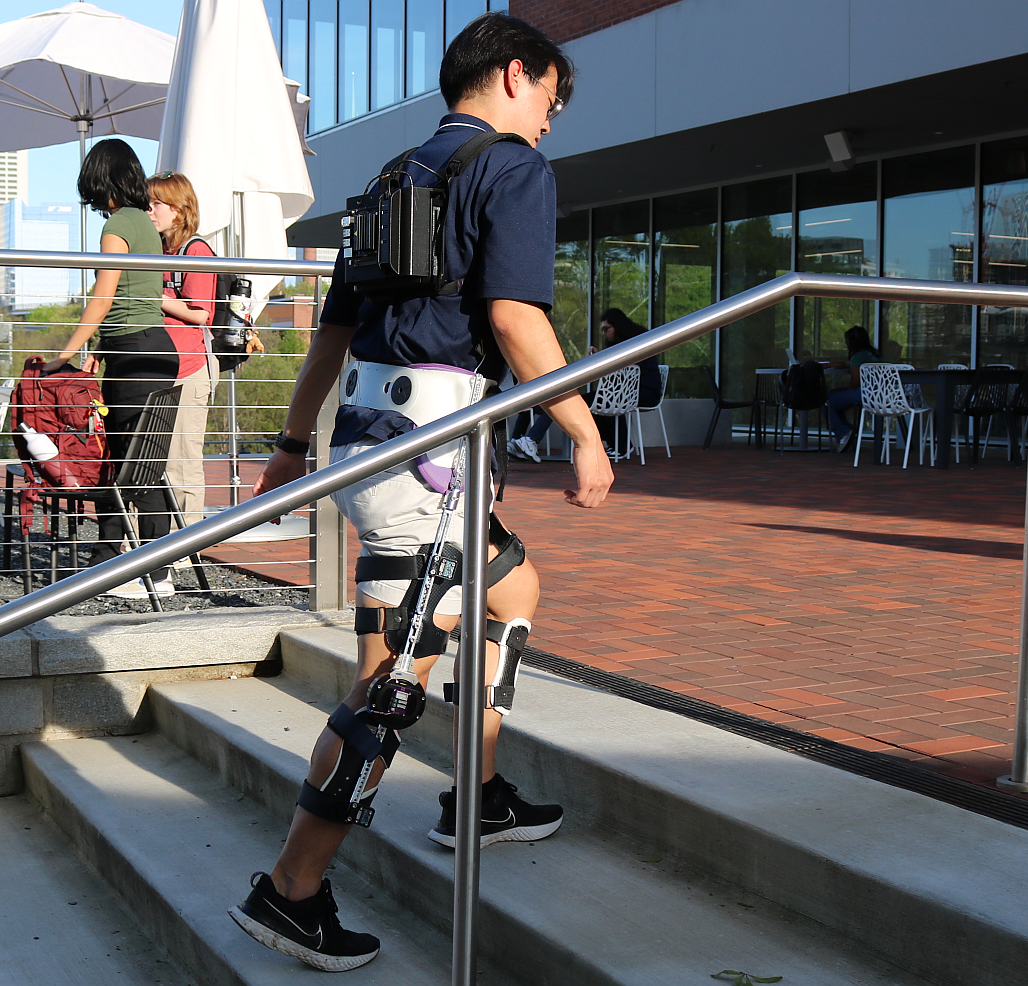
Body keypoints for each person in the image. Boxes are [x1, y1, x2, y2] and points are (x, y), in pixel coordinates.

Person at [229, 13, 610, 972]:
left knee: (509, 592)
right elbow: (516, 317)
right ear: (517, 75)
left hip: (381, 444)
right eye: (551, 101)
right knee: (390, 688)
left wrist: (289, 444)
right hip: (429, 458)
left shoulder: (395, 178)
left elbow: (331, 334)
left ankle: (477, 793)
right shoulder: (511, 167)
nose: (550, 123)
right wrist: (585, 432)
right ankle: (291, 889)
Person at [50, 138, 179, 593]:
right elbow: (136, 296)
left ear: (99, 178)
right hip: (154, 348)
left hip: (133, 353)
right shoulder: (145, 224)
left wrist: (62, 357)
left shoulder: (117, 226)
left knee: (126, 460)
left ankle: (135, 568)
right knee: (146, 462)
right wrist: (98, 350)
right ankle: (136, 564)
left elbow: (103, 298)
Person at [148, 171, 219, 533]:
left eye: (157, 203)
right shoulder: (161, 251)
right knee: (156, 460)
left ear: (179, 209)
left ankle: (184, 543)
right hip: (162, 367)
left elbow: (201, 312)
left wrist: (156, 297)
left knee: (183, 460)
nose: (150, 210)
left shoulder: (196, 250)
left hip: (189, 368)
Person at [509, 308, 659, 463]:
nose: (604, 333)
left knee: (591, 400)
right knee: (581, 401)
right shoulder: (620, 344)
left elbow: (625, 369)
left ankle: (621, 446)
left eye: (607, 329)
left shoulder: (638, 340)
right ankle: (618, 445)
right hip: (621, 392)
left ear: (618, 326)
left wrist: (601, 358)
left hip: (643, 392)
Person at [823, 325, 880, 447]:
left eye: (847, 340)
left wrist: (845, 395)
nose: (846, 343)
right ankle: (846, 432)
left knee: (824, 400)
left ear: (852, 341)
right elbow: (846, 363)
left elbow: (855, 383)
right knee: (832, 395)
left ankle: (843, 432)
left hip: (864, 393)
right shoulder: (871, 355)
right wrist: (828, 364)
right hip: (877, 392)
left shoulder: (858, 357)